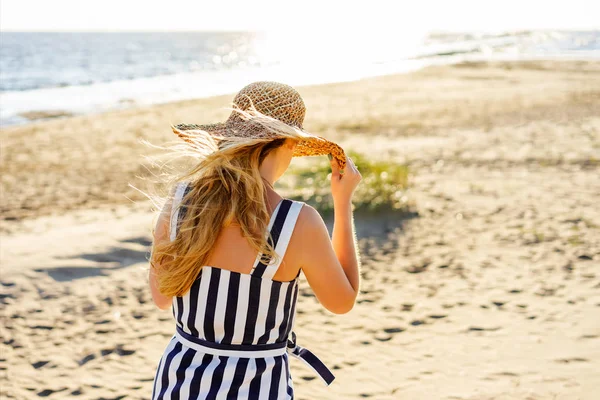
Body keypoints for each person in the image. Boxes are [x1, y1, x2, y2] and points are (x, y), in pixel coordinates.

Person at [148, 81, 362, 399]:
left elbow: (162, 298)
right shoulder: (295, 221)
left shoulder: (181, 201)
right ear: (290, 143)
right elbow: (342, 301)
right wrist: (343, 205)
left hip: (180, 383)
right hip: (259, 387)